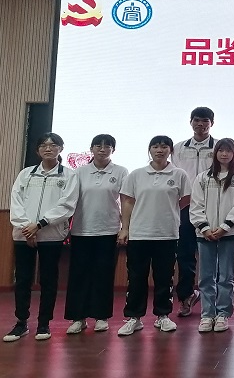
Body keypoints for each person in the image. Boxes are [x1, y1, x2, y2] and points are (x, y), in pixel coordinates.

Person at [4, 133, 79, 342]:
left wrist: (39, 225)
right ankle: (21, 323)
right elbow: (16, 201)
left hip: (51, 235)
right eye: (44, 145)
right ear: (37, 150)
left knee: (48, 280)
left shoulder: (69, 175)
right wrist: (26, 227)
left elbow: (67, 205)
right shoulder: (26, 174)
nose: (48, 148)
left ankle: (44, 323)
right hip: (23, 234)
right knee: (23, 279)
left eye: (53, 145)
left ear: (61, 149)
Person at [116, 136, 191, 337]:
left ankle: (163, 315)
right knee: (136, 277)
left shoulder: (179, 174)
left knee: (164, 277)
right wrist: (125, 228)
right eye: (155, 146)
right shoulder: (136, 174)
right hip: (139, 233)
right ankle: (134, 318)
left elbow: (185, 200)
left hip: (167, 234)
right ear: (149, 150)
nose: (160, 150)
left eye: (164, 146)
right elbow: (128, 202)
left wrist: (167, 212)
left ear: (170, 150)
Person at [65, 134, 128, 335]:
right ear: (91, 149)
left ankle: (101, 316)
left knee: (104, 274)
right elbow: (70, 201)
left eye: (107, 146)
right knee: (79, 274)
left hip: (109, 230)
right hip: (81, 230)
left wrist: (125, 228)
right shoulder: (79, 172)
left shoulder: (120, 171)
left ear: (113, 150)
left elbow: (126, 201)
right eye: (98, 146)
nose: (102, 149)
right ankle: (78, 318)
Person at [189, 138, 234, 334]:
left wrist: (225, 227)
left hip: (230, 233)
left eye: (228, 150)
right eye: (221, 150)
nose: (224, 154)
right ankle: (207, 314)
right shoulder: (203, 177)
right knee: (206, 277)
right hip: (204, 234)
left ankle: (222, 314)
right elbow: (196, 205)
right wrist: (204, 228)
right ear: (215, 153)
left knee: (226, 277)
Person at [172, 107, 216, 318]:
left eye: (205, 121)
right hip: (186, 206)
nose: (201, 124)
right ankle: (187, 296)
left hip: (213, 205)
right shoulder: (178, 148)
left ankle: (213, 299)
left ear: (211, 124)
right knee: (185, 254)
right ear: (190, 122)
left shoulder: (219, 147)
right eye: (197, 120)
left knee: (213, 254)